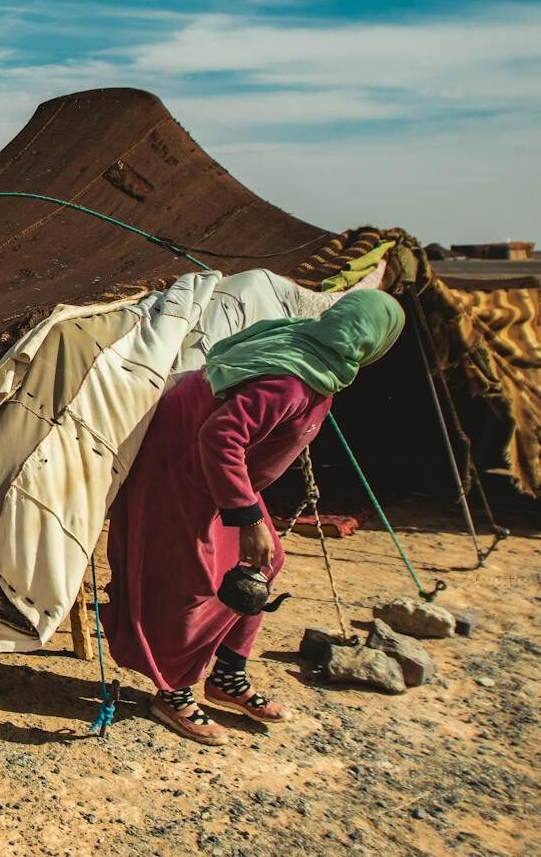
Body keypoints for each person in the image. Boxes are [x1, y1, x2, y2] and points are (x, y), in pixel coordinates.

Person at [101, 289, 406, 745]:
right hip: (181, 467)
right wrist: (246, 518)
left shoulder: (316, 356)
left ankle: (227, 675)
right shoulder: (291, 379)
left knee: (261, 565)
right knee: (194, 582)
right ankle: (173, 690)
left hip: (217, 475)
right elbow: (221, 436)